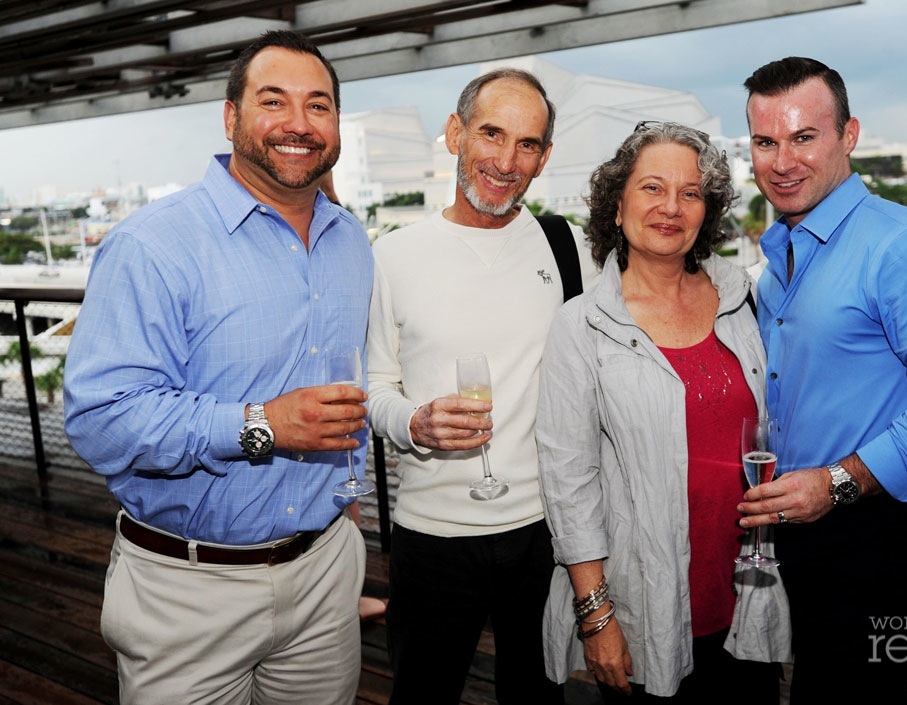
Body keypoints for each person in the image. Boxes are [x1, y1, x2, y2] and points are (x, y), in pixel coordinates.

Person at [63, 30, 373, 704]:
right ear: (231, 117)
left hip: (323, 573)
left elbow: (351, 392)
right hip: (188, 589)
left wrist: (346, 528)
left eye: (319, 106)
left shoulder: (351, 239)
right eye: (274, 101)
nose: (299, 123)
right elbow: (99, 418)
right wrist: (261, 425)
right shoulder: (152, 244)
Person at [736, 57, 907, 704]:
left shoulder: (906, 245)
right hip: (799, 531)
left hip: (880, 538)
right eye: (765, 141)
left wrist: (837, 482)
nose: (782, 160)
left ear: (849, 135)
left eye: (805, 137)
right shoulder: (781, 257)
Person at [536, 121, 790, 703]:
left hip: (747, 590)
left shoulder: (743, 300)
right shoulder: (582, 327)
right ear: (617, 205)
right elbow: (568, 483)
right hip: (642, 604)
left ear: (708, 211)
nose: (671, 207)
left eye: (691, 192)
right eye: (652, 188)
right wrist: (597, 618)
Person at [365, 67, 598, 705]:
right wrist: (412, 423)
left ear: (545, 157)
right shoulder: (392, 255)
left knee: (539, 697)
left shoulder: (569, 248)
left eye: (528, 144)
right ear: (454, 133)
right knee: (423, 695)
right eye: (491, 134)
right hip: (431, 536)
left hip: (543, 532)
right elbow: (375, 386)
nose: (506, 160)